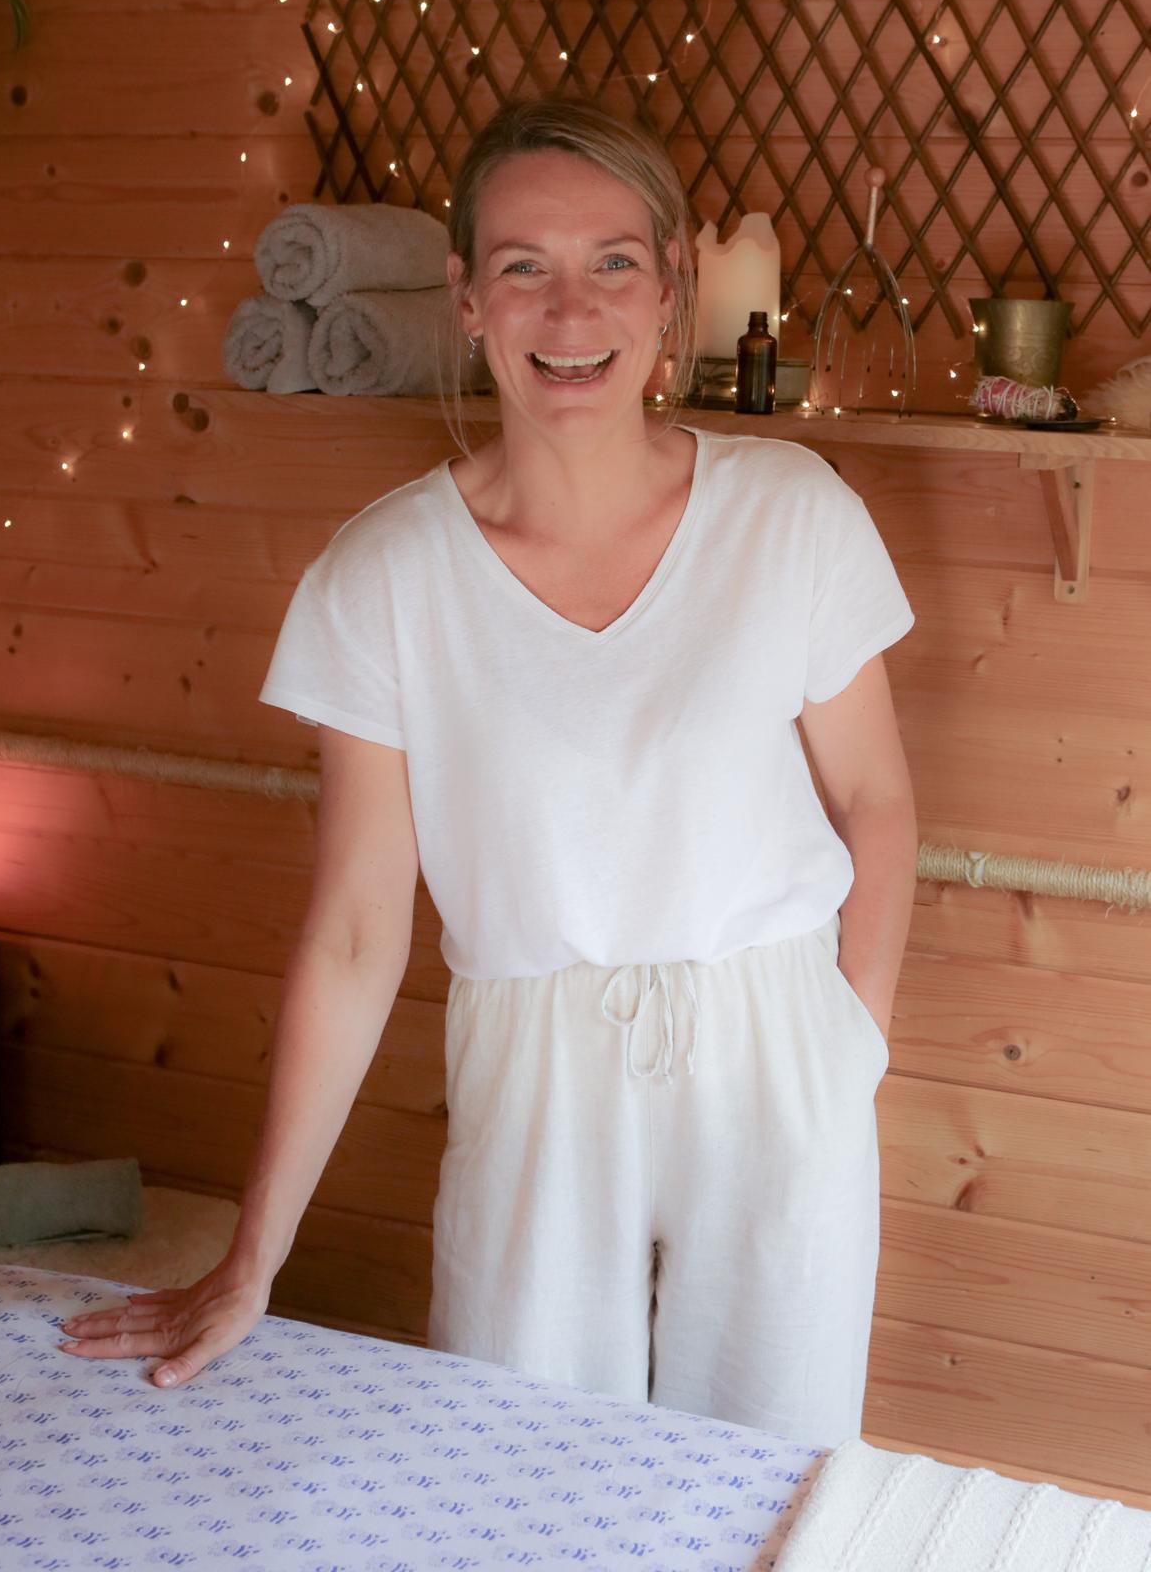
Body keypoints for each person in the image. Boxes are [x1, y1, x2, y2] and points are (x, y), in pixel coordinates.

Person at [56, 95, 918, 1447]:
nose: (568, 313)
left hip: (775, 1054)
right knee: (516, 1471)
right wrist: (252, 1261)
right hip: (530, 1066)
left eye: (610, 264)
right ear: (465, 299)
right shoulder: (383, 579)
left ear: (670, 287)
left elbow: (873, 801)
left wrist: (842, 1054)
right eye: (524, 267)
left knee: (768, 1477)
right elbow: (351, 931)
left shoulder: (789, 517)